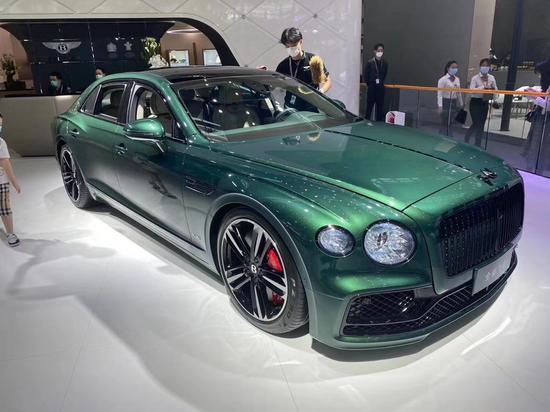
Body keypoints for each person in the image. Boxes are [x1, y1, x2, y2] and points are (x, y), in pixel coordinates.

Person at [275, 27, 332, 111]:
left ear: (301, 42)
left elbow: (327, 81)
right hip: (291, 108)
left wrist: (321, 92)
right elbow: (275, 86)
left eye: (293, 45)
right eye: (287, 46)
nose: (291, 49)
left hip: (311, 107)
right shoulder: (283, 65)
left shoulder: (313, 60)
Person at [464, 58, 498, 147]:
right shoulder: (475, 78)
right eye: (483, 65)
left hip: (485, 102)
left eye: (487, 65)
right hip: (475, 102)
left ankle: (477, 143)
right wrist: (482, 87)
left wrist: (494, 98)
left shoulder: (491, 78)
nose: (485, 67)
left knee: (482, 124)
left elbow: (495, 89)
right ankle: (466, 138)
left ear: (489, 67)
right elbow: (471, 91)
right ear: (480, 66)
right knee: (476, 123)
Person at [0, 113, 22, 247]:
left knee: (5, 208)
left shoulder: (1, 143)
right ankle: (10, 234)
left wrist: (14, 182)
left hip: (1, 181)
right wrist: (14, 182)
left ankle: (10, 233)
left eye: (0, 125)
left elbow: (5, 163)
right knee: (4, 207)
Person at [437, 60, 464, 136]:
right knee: (445, 121)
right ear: (448, 68)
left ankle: (449, 135)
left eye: (456, 67)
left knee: (451, 120)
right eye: (453, 67)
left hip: (453, 101)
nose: (455, 69)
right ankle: (442, 136)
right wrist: (440, 106)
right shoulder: (443, 79)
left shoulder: (457, 79)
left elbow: (458, 92)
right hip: (445, 101)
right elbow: (439, 94)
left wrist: (461, 103)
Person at [364, 43, 389, 121]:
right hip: (372, 88)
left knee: (380, 110)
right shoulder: (370, 63)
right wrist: (370, 83)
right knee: (369, 109)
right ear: (374, 51)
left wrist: (380, 82)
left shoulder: (385, 63)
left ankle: (379, 124)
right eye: (378, 50)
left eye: (382, 50)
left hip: (380, 89)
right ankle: (366, 124)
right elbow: (366, 76)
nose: (380, 52)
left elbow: (384, 75)